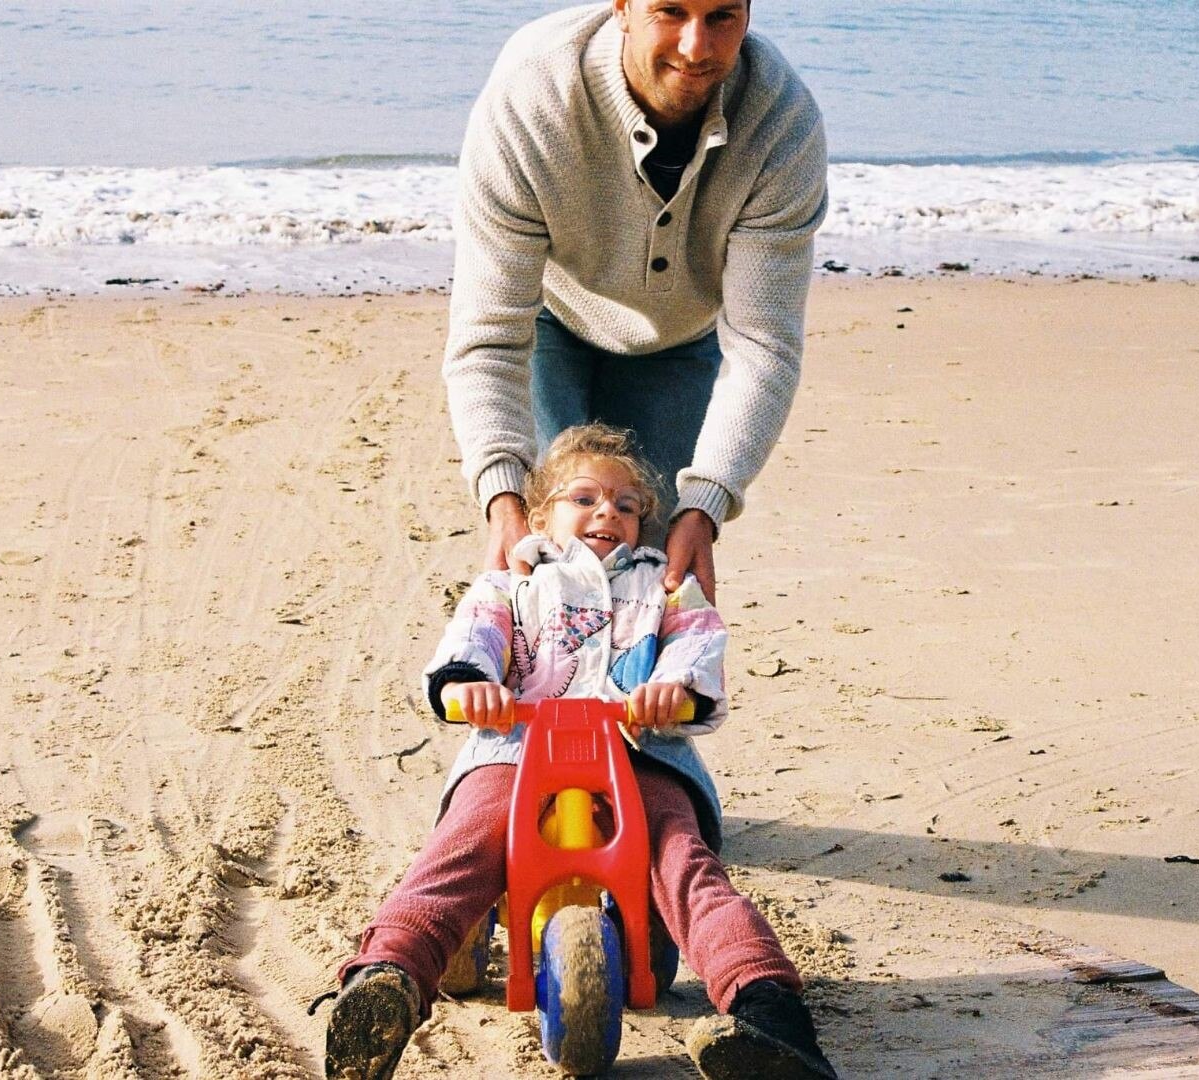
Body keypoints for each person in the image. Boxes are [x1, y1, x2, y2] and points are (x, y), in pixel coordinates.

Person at [320, 425, 837, 1080]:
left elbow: (697, 637)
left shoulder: (662, 582)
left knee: (682, 862)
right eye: (585, 498)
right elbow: (474, 634)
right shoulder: (512, 583)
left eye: (627, 506)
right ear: (540, 516)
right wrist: (469, 683)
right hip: (517, 750)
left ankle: (769, 1012)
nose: (608, 513)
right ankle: (387, 979)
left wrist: (673, 687)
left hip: (640, 753)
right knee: (466, 845)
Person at [443, 0, 828, 602]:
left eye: (722, 16)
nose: (696, 47)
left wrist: (706, 501)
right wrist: (502, 496)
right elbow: (490, 334)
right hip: (552, 317)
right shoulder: (531, 96)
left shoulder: (783, 124)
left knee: (647, 568)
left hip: (682, 340)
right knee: (555, 550)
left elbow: (763, 347)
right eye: (670, 11)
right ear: (622, 7)